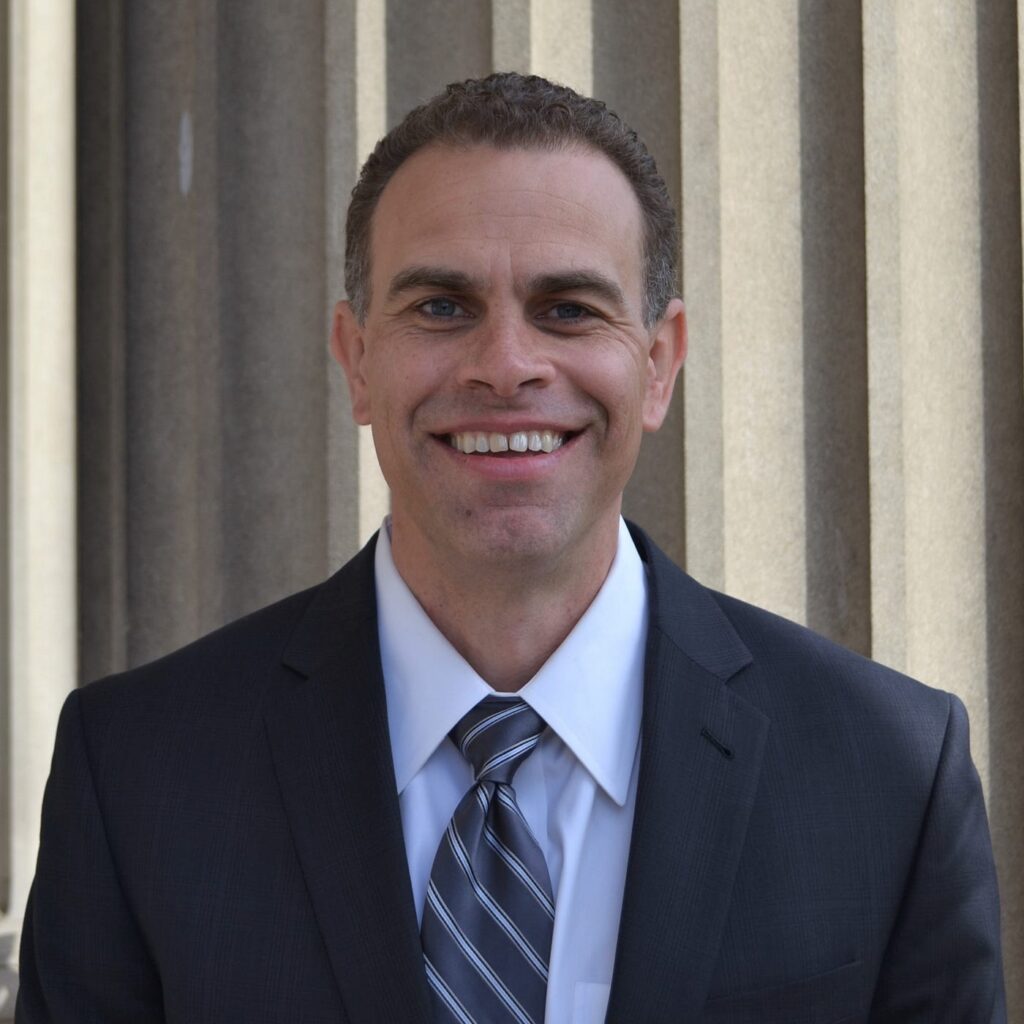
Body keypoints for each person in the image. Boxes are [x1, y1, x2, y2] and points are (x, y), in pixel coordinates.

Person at [16, 73, 1004, 1023]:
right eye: (441, 306)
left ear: (658, 365)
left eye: (567, 308)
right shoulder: (141, 773)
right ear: (357, 360)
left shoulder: (887, 778)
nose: (506, 366)